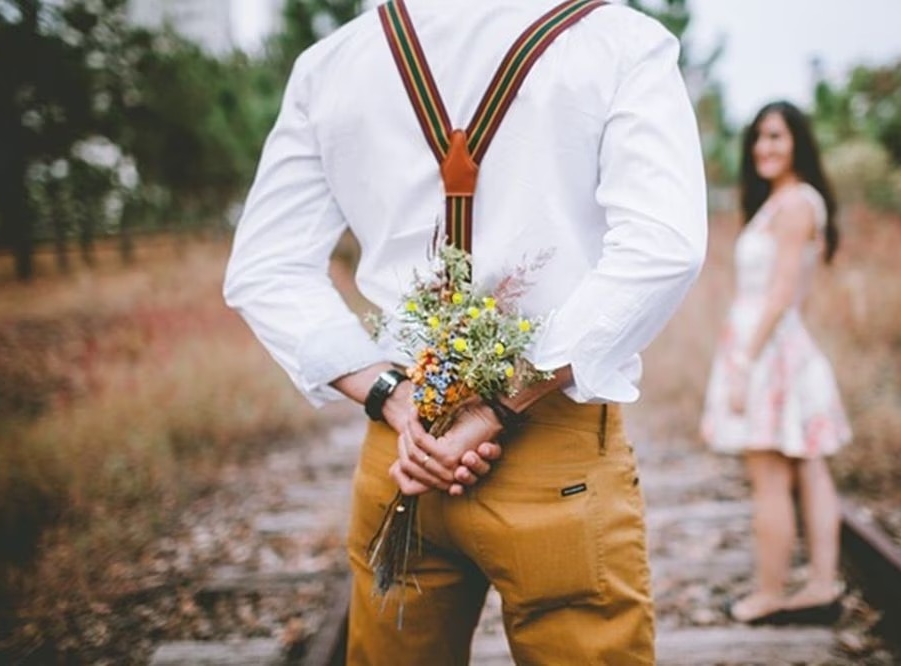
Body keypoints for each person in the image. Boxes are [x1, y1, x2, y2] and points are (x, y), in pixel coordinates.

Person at [224, 0, 707, 663]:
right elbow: (662, 249)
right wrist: (498, 405)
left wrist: (392, 396)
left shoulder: (332, 64)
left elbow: (264, 267)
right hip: (552, 446)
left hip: (403, 452)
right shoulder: (618, 42)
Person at [699, 100, 852, 625]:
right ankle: (820, 585)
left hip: (766, 350)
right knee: (809, 467)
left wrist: (744, 361)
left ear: (797, 144)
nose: (764, 148)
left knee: (769, 476)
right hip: (780, 344)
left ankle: (770, 594)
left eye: (776, 137)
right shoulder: (790, 201)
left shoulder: (793, 205)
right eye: (759, 138)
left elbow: (783, 291)